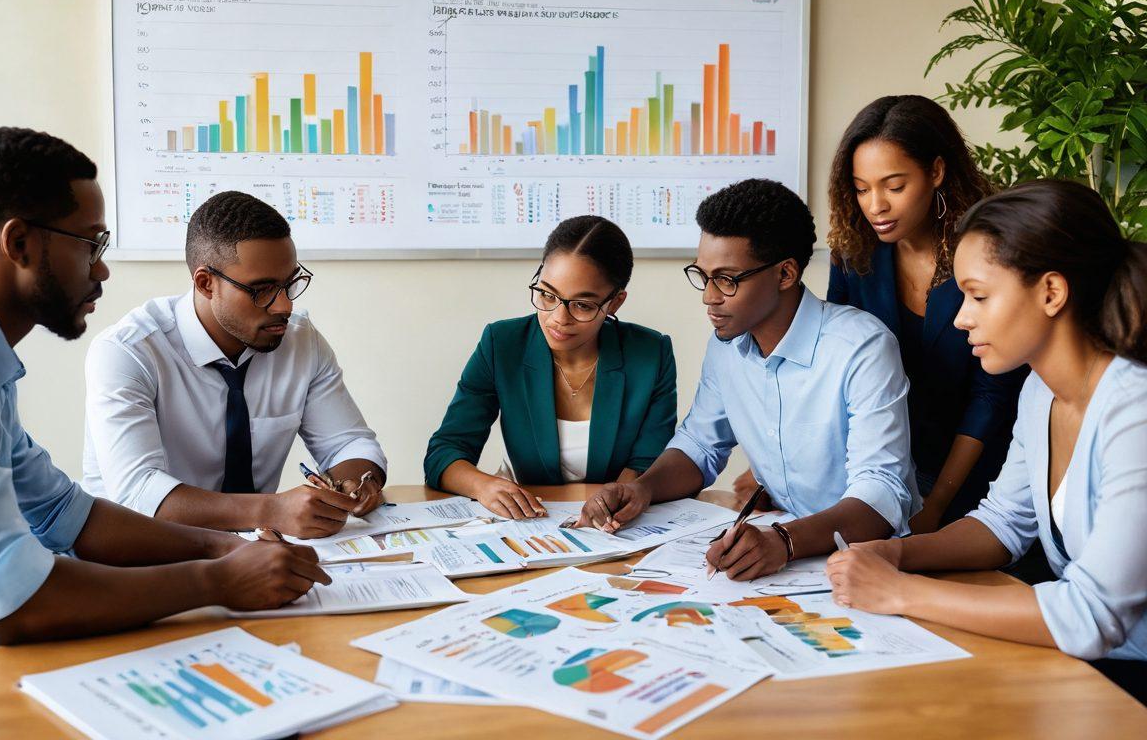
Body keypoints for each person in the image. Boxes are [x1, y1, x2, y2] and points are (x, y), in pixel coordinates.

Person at [0, 129, 327, 705]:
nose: (103, 270)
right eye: (91, 244)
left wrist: (222, 548)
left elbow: (65, 515)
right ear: (19, 244)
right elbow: (6, 601)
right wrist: (215, 581)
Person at [827, 180, 1147, 703]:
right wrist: (897, 552)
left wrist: (901, 592)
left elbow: (1093, 616)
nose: (960, 318)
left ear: (1051, 292)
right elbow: (1003, 523)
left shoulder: (1136, 409)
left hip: (1127, 678)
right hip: (1089, 669)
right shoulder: (1041, 390)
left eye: (978, 296)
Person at [578, 179, 919, 580]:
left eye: (727, 279)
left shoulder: (862, 347)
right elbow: (700, 445)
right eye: (703, 276)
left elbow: (881, 494)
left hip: (865, 556)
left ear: (785, 273)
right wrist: (643, 489)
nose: (709, 297)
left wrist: (785, 540)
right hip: (783, 548)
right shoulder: (727, 346)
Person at [82, 191, 386, 538]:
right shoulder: (127, 352)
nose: (284, 305)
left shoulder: (301, 340)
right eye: (262, 290)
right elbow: (139, 495)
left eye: (290, 283)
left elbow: (351, 444)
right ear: (205, 283)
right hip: (139, 554)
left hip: (255, 552)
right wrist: (273, 509)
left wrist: (353, 484)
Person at [825, 95, 1026, 532]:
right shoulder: (852, 252)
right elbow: (834, 365)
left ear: (936, 171)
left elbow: (992, 395)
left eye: (894, 186)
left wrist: (935, 503)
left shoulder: (987, 249)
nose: (875, 205)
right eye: (861, 188)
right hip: (882, 464)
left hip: (981, 471)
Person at [424, 216, 677, 519]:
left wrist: (613, 504)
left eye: (582, 305)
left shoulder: (650, 354)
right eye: (547, 294)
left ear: (615, 303)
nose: (558, 318)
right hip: (532, 523)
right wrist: (484, 486)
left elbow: (647, 466)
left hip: (616, 528)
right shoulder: (502, 343)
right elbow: (444, 452)